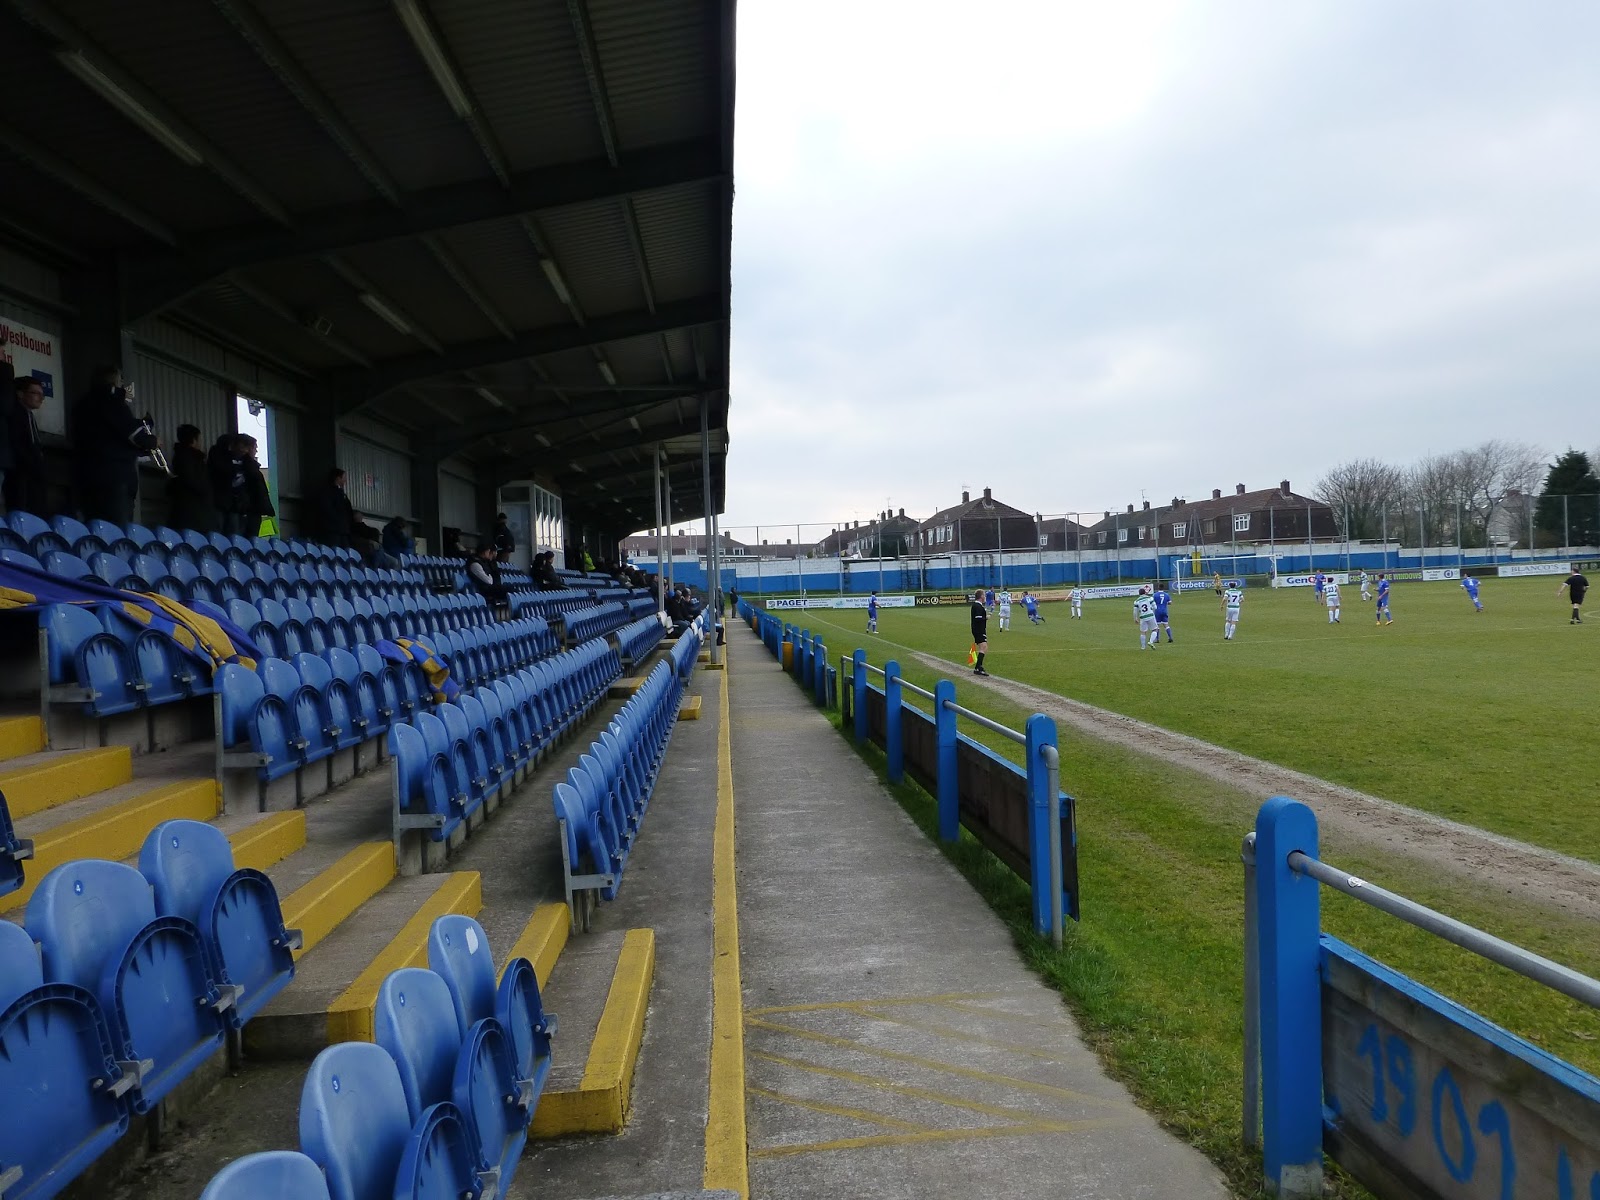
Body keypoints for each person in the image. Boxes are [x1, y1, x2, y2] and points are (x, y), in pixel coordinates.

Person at [72, 364, 157, 525]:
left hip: (85, 476)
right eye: (121, 379)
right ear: (114, 380)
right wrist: (152, 441)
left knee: (94, 526)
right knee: (117, 529)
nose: (123, 383)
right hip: (114, 478)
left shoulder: (82, 404)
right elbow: (132, 434)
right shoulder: (112, 401)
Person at [4, 374, 48, 516]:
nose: (41, 398)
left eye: (42, 394)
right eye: (35, 393)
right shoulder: (16, 415)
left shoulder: (29, 415)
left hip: (31, 473)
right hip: (21, 473)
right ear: (20, 394)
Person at [166, 424, 214, 532]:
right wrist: (205, 491)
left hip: (191, 509)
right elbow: (191, 479)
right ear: (193, 440)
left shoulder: (183, 456)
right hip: (192, 510)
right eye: (199, 439)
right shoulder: (189, 458)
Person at [237, 435, 273, 538]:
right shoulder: (248, 467)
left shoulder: (250, 467)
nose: (256, 451)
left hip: (251, 510)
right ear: (247, 448)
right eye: (254, 447)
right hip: (249, 511)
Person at [311, 467, 356, 547]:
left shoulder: (341, 493)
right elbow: (327, 509)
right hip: (332, 530)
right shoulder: (327, 492)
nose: (345, 480)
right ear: (338, 478)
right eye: (344, 477)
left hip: (343, 530)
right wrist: (339, 520)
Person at [466, 543, 509, 609]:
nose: (489, 553)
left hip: (490, 588)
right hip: (483, 589)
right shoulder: (475, 563)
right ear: (484, 552)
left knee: (512, 589)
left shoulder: (485, 562)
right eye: (488, 551)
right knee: (509, 590)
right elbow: (489, 581)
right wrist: (490, 575)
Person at [969, 589, 989, 677]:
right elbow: (978, 618)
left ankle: (978, 667)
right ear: (981, 596)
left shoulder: (978, 606)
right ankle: (978, 668)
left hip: (979, 629)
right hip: (978, 630)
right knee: (983, 647)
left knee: (983, 647)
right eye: (984, 595)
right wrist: (986, 618)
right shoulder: (977, 606)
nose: (985, 597)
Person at [1134, 585, 1158, 649]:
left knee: (1143, 632)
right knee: (1155, 629)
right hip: (1150, 615)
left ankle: (1143, 647)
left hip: (1142, 617)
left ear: (1139, 594)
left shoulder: (1136, 601)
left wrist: (1135, 618)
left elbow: (1135, 611)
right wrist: (1151, 609)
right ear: (1145, 592)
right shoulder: (1150, 598)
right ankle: (1151, 641)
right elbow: (1155, 607)